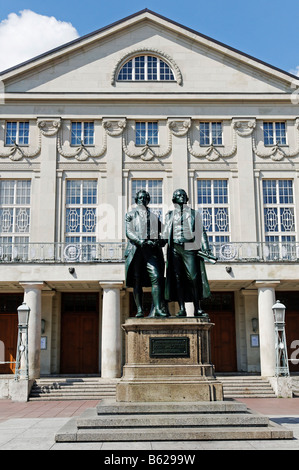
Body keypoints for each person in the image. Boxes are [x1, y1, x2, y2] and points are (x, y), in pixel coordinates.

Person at [163, 188, 215, 319]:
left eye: (183, 195)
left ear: (186, 199)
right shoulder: (169, 215)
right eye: (178, 195)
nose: (181, 197)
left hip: (189, 246)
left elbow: (201, 232)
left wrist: (206, 248)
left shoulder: (194, 214)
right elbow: (164, 233)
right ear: (174, 199)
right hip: (174, 247)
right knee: (178, 279)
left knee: (193, 278)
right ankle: (181, 309)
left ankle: (197, 308)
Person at [125, 189, 167, 318]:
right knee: (137, 280)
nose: (142, 200)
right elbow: (129, 231)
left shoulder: (153, 216)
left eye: (145, 198)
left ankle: (158, 309)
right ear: (136, 200)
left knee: (156, 276)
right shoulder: (131, 214)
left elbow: (164, 231)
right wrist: (139, 240)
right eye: (140, 198)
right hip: (136, 250)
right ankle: (139, 310)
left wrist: (160, 241)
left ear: (148, 200)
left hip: (151, 251)